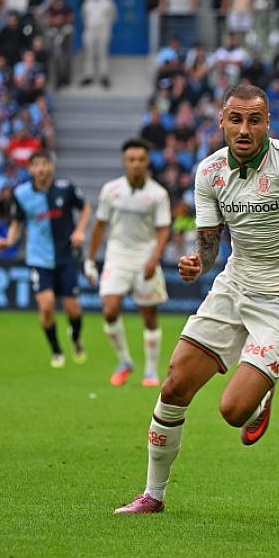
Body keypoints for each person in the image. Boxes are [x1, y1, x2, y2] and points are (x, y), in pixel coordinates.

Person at [113, 84, 279, 515]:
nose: (244, 128)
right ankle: (153, 495)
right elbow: (210, 244)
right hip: (235, 283)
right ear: (221, 121)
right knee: (175, 383)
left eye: (254, 120)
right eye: (235, 119)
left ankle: (261, 393)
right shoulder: (209, 172)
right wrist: (199, 263)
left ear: (267, 124)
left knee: (233, 411)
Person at [84, 138, 172, 387]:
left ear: (147, 162)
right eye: (131, 160)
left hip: (145, 256)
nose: (136, 164)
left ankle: (151, 371)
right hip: (117, 255)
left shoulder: (157, 194)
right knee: (109, 309)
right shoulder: (111, 190)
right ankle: (124, 361)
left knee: (149, 316)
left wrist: (154, 259)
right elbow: (100, 226)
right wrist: (90, 259)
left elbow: (164, 230)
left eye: (141, 160)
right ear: (124, 162)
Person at [0, 150, 92, 368]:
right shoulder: (22, 193)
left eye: (44, 164)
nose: (41, 169)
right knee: (46, 306)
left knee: (73, 310)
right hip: (39, 258)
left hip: (66, 256)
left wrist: (79, 230)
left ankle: (75, 337)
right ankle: (57, 351)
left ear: (51, 167)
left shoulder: (65, 188)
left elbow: (85, 208)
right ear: (30, 169)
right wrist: (9, 241)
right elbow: (17, 221)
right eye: (36, 165)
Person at [80, 0, 117, 89]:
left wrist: (105, 25)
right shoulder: (87, 1)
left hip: (103, 30)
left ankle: (103, 76)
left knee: (103, 53)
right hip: (90, 30)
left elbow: (113, 16)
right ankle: (88, 75)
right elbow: (84, 16)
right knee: (89, 53)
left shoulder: (108, 2)